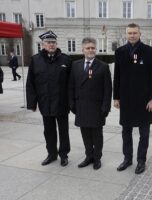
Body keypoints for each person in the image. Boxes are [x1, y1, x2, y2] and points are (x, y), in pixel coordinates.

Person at [113, 23, 152, 174]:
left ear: (140, 33)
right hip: (126, 100)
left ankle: (141, 160)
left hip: (145, 101)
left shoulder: (149, 51)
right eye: (130, 33)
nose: (132, 35)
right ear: (126, 34)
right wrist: (116, 97)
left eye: (135, 33)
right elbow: (117, 76)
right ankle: (127, 159)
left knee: (144, 133)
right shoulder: (120, 52)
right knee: (126, 132)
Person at [26, 30, 71, 167]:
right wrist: (32, 103)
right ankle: (51, 154)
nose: (51, 44)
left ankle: (63, 155)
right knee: (49, 131)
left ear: (56, 44)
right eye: (48, 42)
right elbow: (31, 83)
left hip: (62, 103)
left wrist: (72, 102)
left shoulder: (65, 59)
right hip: (45, 103)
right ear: (43, 44)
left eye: (53, 42)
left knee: (63, 131)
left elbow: (71, 83)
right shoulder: (35, 60)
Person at [69, 37, 112, 170]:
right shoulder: (75, 65)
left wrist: (106, 107)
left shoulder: (103, 66)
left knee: (97, 135)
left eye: (93, 47)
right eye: (88, 48)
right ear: (83, 50)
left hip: (97, 107)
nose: (91, 50)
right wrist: (72, 104)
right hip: (81, 106)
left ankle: (97, 158)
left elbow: (108, 89)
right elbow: (71, 86)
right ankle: (89, 156)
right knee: (85, 134)